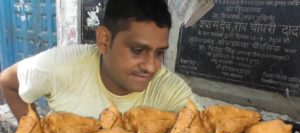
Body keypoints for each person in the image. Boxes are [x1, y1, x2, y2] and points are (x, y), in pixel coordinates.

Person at [0, 0, 198, 121]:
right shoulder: (61, 66)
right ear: (104, 40)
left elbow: (207, 128)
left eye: (159, 53)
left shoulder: (170, 90)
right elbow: (7, 82)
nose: (151, 66)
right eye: (138, 50)